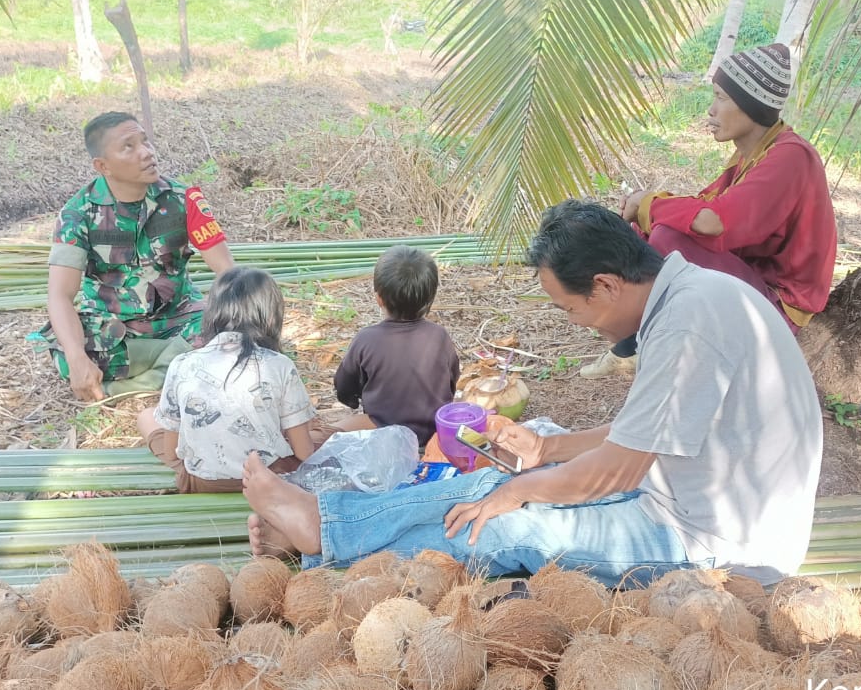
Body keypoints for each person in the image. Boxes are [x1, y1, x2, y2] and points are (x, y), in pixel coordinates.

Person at [242, 200, 823, 587]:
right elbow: (644, 435)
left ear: (605, 285)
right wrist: (546, 451)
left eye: (569, 310)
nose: (576, 324)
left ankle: (324, 540)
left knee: (504, 524)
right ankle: (326, 523)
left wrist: (523, 489)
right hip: (681, 498)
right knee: (496, 484)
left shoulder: (689, 325)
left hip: (715, 543)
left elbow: (617, 468)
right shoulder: (692, 297)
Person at [580, 42, 837, 379]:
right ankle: (631, 341)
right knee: (647, 231)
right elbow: (705, 206)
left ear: (752, 105)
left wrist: (649, 204)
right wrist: (644, 215)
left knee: (669, 237)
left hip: (778, 306)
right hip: (756, 285)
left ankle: (637, 345)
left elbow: (712, 222)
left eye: (721, 97)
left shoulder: (791, 157)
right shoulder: (753, 155)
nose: (711, 110)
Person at [29, 111, 237, 400]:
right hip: (114, 329)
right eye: (129, 147)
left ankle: (137, 382)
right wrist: (77, 359)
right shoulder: (77, 214)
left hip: (181, 318)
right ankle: (180, 364)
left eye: (145, 141)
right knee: (67, 352)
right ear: (103, 165)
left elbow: (227, 272)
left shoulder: (183, 199)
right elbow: (60, 295)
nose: (146, 152)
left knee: (233, 330)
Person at [137, 267, 316, 494]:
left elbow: (172, 453)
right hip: (270, 479)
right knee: (320, 432)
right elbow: (304, 453)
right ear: (271, 316)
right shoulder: (280, 365)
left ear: (212, 313)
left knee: (146, 417)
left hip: (202, 483)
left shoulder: (182, 363)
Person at [331, 245, 460, 447]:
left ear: (379, 299)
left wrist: (353, 401)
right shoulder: (439, 336)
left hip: (384, 435)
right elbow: (452, 381)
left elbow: (344, 388)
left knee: (327, 433)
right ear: (431, 299)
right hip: (433, 433)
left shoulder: (366, 339)